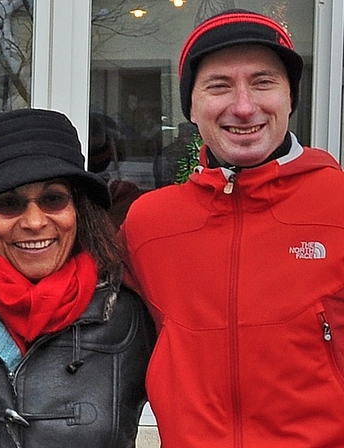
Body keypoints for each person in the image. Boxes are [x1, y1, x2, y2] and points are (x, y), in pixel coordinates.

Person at [119, 9, 344, 447]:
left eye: (263, 82)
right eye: (219, 86)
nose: (244, 107)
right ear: (191, 107)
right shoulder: (149, 223)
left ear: (290, 97)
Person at [0, 108, 154, 447]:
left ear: (78, 210)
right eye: (10, 204)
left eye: (53, 199)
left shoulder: (130, 312)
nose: (35, 222)